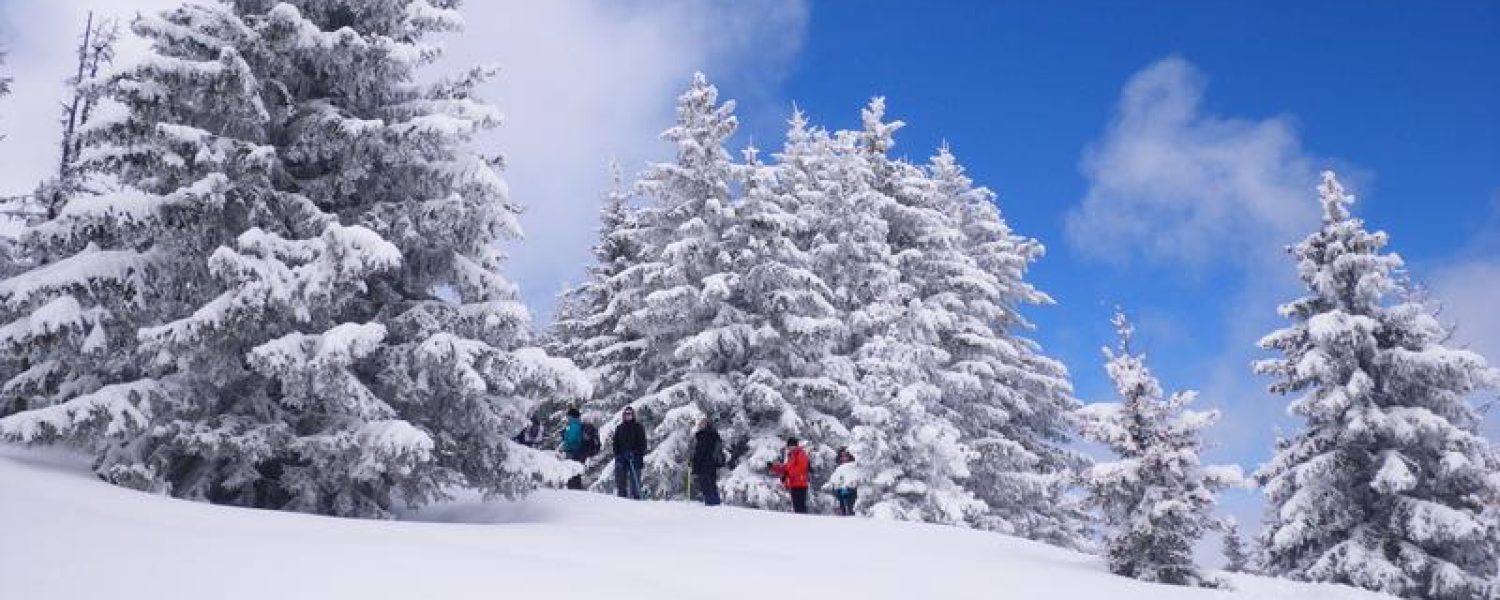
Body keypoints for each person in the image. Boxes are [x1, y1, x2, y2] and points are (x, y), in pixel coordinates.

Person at [612, 406, 647, 499]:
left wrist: (634, 453)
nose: (628, 416)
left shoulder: (638, 427)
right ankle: (622, 500)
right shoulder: (619, 428)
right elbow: (615, 444)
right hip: (622, 458)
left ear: (633, 415)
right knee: (621, 483)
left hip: (635, 459)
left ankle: (636, 500)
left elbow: (642, 444)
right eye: (626, 414)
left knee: (635, 484)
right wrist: (619, 454)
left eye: (629, 414)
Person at [769, 437, 810, 514]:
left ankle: (805, 523)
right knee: (796, 507)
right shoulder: (791, 456)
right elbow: (786, 467)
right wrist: (773, 467)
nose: (788, 448)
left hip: (801, 484)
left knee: (800, 507)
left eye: (789, 446)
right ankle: (799, 523)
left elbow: (801, 467)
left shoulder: (800, 453)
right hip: (794, 484)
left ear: (793, 445)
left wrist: (788, 474)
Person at [689, 417, 722, 506]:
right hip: (713, 463)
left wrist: (694, 463)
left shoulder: (703, 435)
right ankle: (716, 503)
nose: (699, 425)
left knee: (706, 484)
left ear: (706, 425)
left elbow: (700, 451)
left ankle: (710, 504)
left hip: (705, 464)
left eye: (701, 423)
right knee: (712, 483)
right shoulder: (714, 434)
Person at [560, 408, 586, 490]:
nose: (566, 418)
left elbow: (572, 439)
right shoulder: (577, 424)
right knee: (576, 474)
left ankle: (573, 492)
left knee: (572, 473)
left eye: (568, 416)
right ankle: (576, 490)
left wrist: (564, 435)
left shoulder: (574, 425)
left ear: (571, 416)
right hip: (578, 452)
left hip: (573, 452)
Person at [833, 447, 857, 516]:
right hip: (840, 487)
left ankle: (851, 513)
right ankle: (843, 514)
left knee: (851, 503)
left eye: (845, 456)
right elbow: (836, 478)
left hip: (851, 487)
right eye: (842, 456)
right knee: (841, 501)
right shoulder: (838, 467)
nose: (844, 458)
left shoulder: (852, 465)